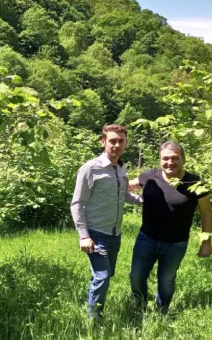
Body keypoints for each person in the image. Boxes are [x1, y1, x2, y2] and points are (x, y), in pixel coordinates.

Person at [128, 141, 212, 313]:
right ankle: (139, 305)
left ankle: (162, 311)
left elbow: (206, 214)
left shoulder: (195, 182)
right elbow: (128, 186)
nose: (170, 162)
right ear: (160, 160)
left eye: (175, 158)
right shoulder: (149, 176)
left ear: (183, 159)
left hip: (176, 243)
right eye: (165, 158)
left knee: (166, 281)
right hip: (146, 238)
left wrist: (206, 242)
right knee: (136, 277)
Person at [70, 124, 142, 319]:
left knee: (106, 275)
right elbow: (77, 204)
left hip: (115, 234)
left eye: (121, 141)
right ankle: (93, 321)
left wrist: (145, 201)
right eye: (112, 141)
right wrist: (84, 236)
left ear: (126, 144)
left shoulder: (121, 168)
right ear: (103, 142)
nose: (116, 145)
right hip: (95, 233)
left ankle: (95, 307)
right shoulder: (90, 169)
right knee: (102, 277)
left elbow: (124, 195)